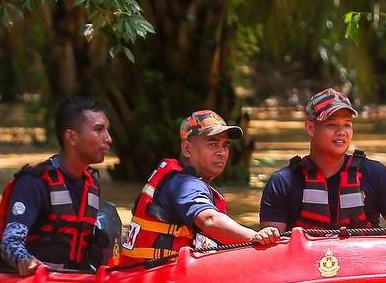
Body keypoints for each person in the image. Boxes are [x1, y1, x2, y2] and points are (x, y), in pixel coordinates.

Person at [118, 110, 280, 264]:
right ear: (187, 149)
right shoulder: (184, 184)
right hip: (153, 281)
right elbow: (209, 220)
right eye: (213, 144)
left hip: (146, 279)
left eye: (225, 145)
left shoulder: (180, 180)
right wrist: (255, 236)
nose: (222, 152)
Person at [260, 88, 386, 232]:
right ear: (311, 128)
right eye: (332, 124)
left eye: (347, 124)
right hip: (307, 265)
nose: (341, 132)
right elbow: (272, 244)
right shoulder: (282, 182)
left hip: (362, 263)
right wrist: (267, 235)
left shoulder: (375, 174)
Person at [0, 97, 115, 274]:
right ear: (71, 137)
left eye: (106, 130)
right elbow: (10, 243)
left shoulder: (92, 185)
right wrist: (25, 261)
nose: (108, 139)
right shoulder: (34, 183)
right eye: (99, 130)